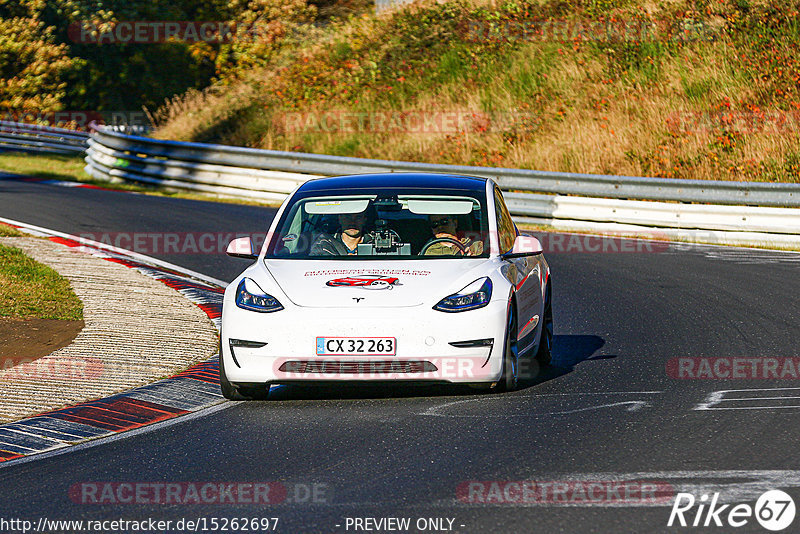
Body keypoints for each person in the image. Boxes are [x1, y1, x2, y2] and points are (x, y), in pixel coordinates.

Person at [310, 212, 376, 256]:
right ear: (340, 219)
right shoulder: (324, 243)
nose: (352, 222)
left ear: (364, 220)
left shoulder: (376, 244)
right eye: (347, 217)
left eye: (358, 217)